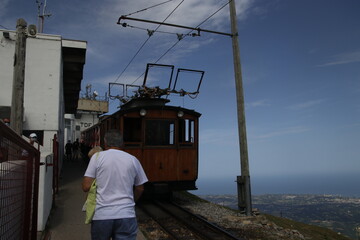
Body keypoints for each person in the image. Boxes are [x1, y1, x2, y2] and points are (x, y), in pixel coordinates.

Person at [82, 130, 148, 240]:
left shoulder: (97, 157)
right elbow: (140, 188)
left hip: (102, 215)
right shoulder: (133, 160)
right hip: (127, 215)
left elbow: (85, 187)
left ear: (105, 142)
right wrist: (132, 200)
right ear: (121, 143)